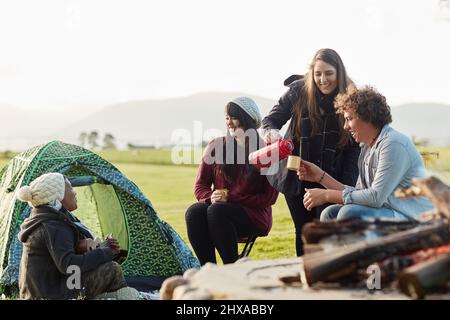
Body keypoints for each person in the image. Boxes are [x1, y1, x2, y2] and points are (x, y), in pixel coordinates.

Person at [261, 48, 360, 256]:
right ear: (312, 74)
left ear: (339, 73)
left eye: (329, 73)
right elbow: (270, 120)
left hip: (331, 174)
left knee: (324, 230)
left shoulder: (352, 97)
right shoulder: (298, 91)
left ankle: (326, 276)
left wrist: (347, 185)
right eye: (318, 74)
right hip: (295, 173)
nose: (323, 79)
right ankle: (305, 277)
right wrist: (271, 133)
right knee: (303, 231)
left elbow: (355, 144)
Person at [298, 86, 434, 221]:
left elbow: (375, 197)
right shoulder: (367, 147)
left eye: (349, 118)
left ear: (367, 116)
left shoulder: (392, 144)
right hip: (388, 211)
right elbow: (359, 194)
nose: (345, 126)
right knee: (329, 214)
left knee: (349, 213)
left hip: (412, 216)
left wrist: (327, 195)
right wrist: (320, 177)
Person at [186, 97, 279, 265]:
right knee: (194, 212)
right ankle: (209, 269)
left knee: (217, 211)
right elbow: (200, 186)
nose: (229, 122)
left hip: (253, 216)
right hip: (218, 210)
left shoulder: (265, 150)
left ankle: (231, 267)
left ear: (248, 119)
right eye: (227, 117)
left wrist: (232, 198)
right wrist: (210, 197)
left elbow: (269, 198)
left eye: (234, 117)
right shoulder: (216, 146)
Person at [17, 172, 128, 299]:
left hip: (44, 290)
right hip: (49, 294)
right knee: (111, 269)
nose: (74, 193)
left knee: (104, 268)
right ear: (58, 196)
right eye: (70, 188)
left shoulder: (46, 218)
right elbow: (69, 266)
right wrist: (105, 253)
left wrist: (101, 247)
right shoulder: (53, 226)